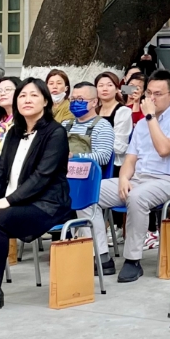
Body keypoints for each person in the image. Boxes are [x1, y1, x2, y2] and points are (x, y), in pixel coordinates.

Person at [0, 78, 70, 314]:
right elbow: (0, 170)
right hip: (13, 203)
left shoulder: (55, 133)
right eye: (22, 95)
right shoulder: (14, 132)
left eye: (33, 95)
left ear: (45, 101)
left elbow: (42, 177)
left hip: (46, 204)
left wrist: (5, 202)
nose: (27, 100)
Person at [96, 71, 170, 283]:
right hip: (138, 178)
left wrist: (149, 117)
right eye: (149, 93)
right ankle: (102, 254)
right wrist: (123, 179)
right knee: (91, 192)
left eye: (158, 93)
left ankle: (132, 260)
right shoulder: (140, 125)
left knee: (137, 197)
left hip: (167, 181)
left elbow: (164, 149)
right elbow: (130, 159)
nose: (151, 99)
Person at [62, 81, 116, 274]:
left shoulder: (102, 126)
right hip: (61, 178)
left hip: (86, 179)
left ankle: (101, 257)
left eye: (81, 99)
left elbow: (103, 156)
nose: (75, 103)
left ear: (94, 102)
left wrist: (76, 157)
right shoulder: (64, 125)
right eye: (73, 99)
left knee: (85, 202)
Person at [94, 71, 135, 170]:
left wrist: (94, 145)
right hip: (94, 160)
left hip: (113, 165)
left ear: (117, 89)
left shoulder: (123, 111)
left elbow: (120, 147)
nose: (105, 89)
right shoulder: (94, 111)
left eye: (109, 85)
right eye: (101, 85)